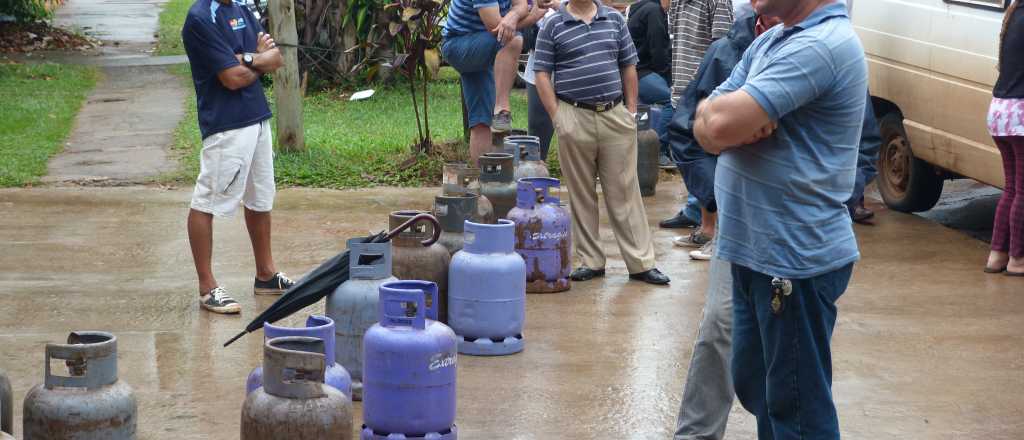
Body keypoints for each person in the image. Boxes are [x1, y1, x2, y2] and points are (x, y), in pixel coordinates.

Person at [693, 0, 866, 438]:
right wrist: (724, 122)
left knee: (797, 412)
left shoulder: (820, 46)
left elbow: (716, 128)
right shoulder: (772, 39)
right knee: (761, 391)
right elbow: (702, 119)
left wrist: (724, 123)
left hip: (792, 261)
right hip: (754, 254)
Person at [534, 0, 670, 285]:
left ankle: (641, 263)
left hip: (614, 115)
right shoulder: (552, 24)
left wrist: (631, 112)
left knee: (625, 190)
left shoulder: (614, 20)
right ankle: (591, 261)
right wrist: (559, 118)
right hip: (573, 115)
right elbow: (542, 74)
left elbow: (629, 66)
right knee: (581, 192)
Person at [181, 0, 294, 314]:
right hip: (226, 125)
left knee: (260, 197)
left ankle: (266, 275)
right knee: (207, 200)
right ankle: (207, 287)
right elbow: (231, 78)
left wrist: (248, 59)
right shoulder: (201, 17)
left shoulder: (242, 9)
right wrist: (257, 60)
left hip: (257, 118)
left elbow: (274, 59)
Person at [658, 0, 733, 236]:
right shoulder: (678, 2)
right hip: (680, 87)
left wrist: (705, 91)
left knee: (706, 157)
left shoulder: (718, 1)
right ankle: (695, 212)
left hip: (705, 90)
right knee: (690, 156)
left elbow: (723, 48)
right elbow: (675, 41)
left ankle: (711, 225)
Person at [442, 0, 528, 163]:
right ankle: (501, 108)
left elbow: (521, 5)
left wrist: (513, 15)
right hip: (460, 44)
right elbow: (498, 28)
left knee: (481, 122)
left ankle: (485, 181)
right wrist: (533, 16)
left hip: (482, 43)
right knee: (513, 39)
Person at [986, 0, 1024, 276]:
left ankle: (996, 255)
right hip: (1020, 114)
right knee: (1023, 191)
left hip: (1000, 110)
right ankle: (1018, 260)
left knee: (1011, 188)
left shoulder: (1014, 14)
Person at [627, 0, 673, 168]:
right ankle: (658, 151)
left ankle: (640, 153)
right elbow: (658, 49)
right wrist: (666, 75)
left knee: (643, 109)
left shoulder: (637, 8)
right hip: (643, 72)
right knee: (673, 101)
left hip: (631, 71)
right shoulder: (654, 11)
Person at [520, 2, 561, 159]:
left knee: (581, 131)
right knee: (538, 129)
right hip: (539, 60)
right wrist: (533, 16)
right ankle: (534, 173)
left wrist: (561, 6)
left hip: (577, 64)